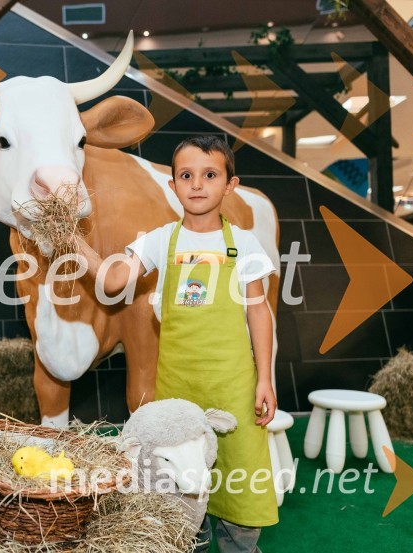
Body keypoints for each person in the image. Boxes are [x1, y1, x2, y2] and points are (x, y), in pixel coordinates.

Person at [76, 135, 279, 552]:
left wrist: (265, 379)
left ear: (230, 185)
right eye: (186, 175)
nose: (197, 184)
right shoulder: (160, 240)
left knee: (241, 468)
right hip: (178, 389)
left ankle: (240, 544)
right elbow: (114, 279)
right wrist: (70, 241)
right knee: (179, 478)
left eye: (210, 175)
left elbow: (258, 311)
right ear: (173, 186)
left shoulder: (245, 243)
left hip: (234, 384)